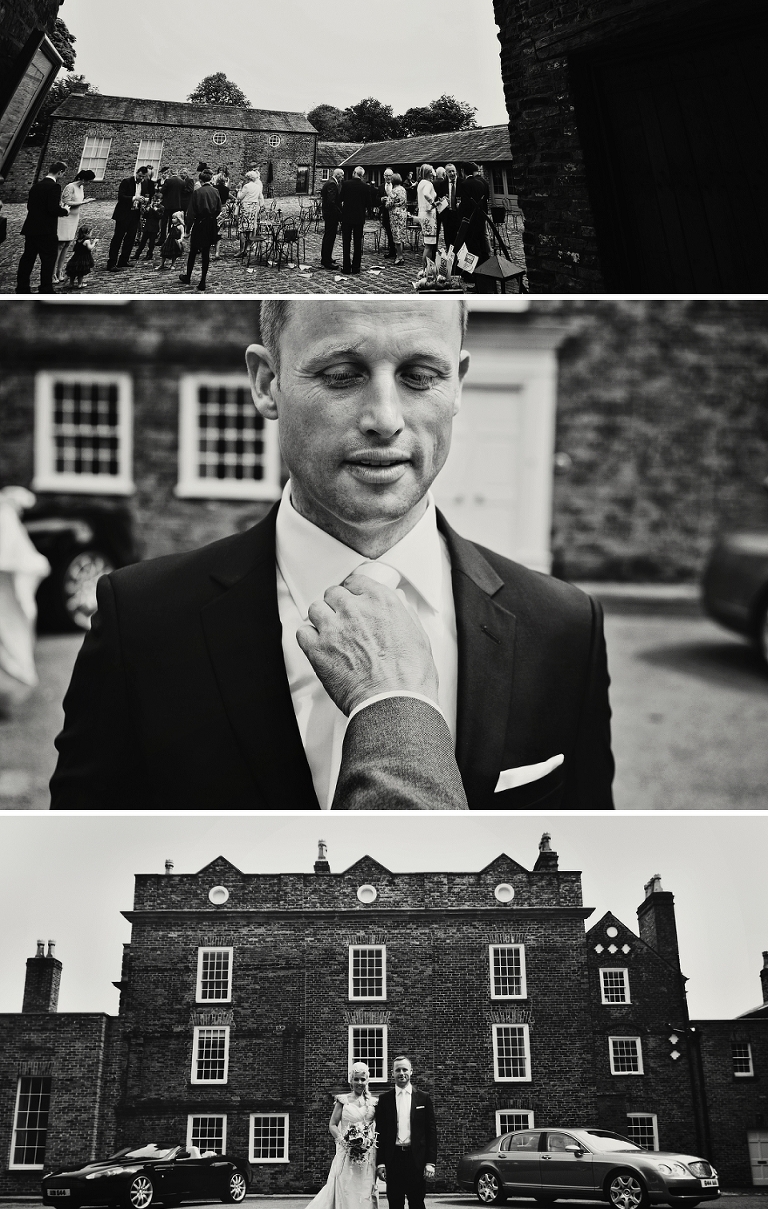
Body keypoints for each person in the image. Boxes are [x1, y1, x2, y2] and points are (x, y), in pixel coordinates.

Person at [50, 299, 614, 813]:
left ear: (458, 384)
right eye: (342, 376)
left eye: (421, 377)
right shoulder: (142, 617)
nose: (385, 418)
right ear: (267, 383)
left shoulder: (564, 627)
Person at [200, 1061, 379, 1209]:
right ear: (350, 1080)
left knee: (364, 1205)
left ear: (368, 1080)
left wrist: (366, 1142)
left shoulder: (374, 1103)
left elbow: (376, 1128)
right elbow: (332, 1124)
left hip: (366, 1160)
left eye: (363, 1078)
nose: (359, 1082)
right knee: (344, 1203)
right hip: (345, 1158)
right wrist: (344, 1141)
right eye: (356, 1078)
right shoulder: (342, 1101)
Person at [376, 1055, 436, 1209]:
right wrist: (381, 1162)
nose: (401, 1074)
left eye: (405, 1070)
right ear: (392, 1073)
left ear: (411, 1072)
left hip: (417, 1162)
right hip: (394, 1162)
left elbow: (431, 1133)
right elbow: (380, 1134)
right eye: (397, 1070)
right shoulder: (385, 1100)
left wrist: (430, 1162)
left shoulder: (423, 1098)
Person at [0, 487, 50, 719]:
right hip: (8, 600)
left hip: (9, 599)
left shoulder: (8, 522)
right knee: (10, 642)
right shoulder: (7, 520)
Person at [16, 160, 67, 292]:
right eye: (63, 173)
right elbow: (52, 209)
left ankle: (22, 287)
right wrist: (65, 210)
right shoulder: (54, 187)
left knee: (28, 259)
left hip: (31, 228)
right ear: (60, 172)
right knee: (48, 260)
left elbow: (30, 206)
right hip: (46, 230)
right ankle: (46, 288)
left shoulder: (36, 186)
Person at [181, 168, 221, 293]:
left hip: (200, 223)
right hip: (211, 223)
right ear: (210, 179)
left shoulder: (198, 192)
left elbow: (190, 214)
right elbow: (219, 209)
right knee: (206, 252)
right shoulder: (215, 191)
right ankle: (202, 280)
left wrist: (187, 230)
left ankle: (188, 276)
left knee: (193, 251)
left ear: (200, 180)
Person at [53, 168, 94, 283]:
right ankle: (52, 273)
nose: (88, 183)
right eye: (87, 180)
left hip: (74, 217)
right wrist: (84, 202)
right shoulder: (70, 186)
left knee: (67, 245)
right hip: (65, 217)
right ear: (81, 178)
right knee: (60, 245)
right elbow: (66, 202)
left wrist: (84, 201)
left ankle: (59, 271)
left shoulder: (81, 187)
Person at [341, 166, 371, 277]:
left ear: (354, 173)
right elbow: (369, 203)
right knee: (358, 242)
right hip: (359, 217)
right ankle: (356, 267)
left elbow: (340, 199)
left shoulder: (346, 184)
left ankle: (346, 267)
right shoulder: (365, 187)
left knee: (346, 242)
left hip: (347, 217)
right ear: (362, 175)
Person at [107, 175, 141, 270]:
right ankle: (112, 262)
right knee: (118, 238)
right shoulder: (127, 181)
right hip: (123, 214)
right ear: (137, 173)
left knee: (130, 238)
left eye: (144, 177)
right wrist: (134, 198)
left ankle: (123, 260)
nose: (141, 178)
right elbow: (121, 196)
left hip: (135, 214)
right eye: (141, 176)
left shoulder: (145, 184)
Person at [320, 167, 344, 270]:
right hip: (331, 215)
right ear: (338, 175)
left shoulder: (330, 183)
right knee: (330, 237)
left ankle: (326, 257)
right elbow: (331, 201)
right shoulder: (332, 184)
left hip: (329, 214)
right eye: (342, 175)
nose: (342, 178)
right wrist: (339, 214)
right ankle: (326, 260)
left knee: (328, 236)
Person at [416, 164, 437, 269]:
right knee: (429, 245)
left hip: (422, 213)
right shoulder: (428, 183)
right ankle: (426, 269)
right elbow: (426, 194)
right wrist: (433, 203)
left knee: (427, 243)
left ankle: (426, 268)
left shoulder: (421, 183)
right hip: (428, 215)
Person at [159, 167, 185, 249]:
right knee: (174, 222)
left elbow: (162, 191)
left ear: (171, 173)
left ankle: (162, 238)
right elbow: (183, 192)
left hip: (167, 204)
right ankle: (171, 238)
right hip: (177, 204)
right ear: (177, 172)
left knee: (164, 222)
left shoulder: (168, 181)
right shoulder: (182, 182)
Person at [388, 173, 407, 263]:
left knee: (396, 235)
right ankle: (401, 254)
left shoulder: (393, 191)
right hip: (403, 213)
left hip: (395, 214)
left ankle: (399, 256)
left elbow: (389, 204)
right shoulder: (403, 189)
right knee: (401, 233)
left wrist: (386, 202)